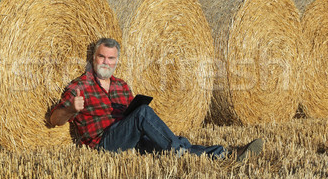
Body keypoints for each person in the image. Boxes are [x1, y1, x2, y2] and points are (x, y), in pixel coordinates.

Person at [49, 38, 263, 160]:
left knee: (165, 141)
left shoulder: (121, 85)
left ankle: (226, 154)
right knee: (145, 116)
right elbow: (54, 119)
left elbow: (131, 117)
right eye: (101, 56)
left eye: (111, 58)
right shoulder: (80, 86)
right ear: (93, 58)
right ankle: (179, 150)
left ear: (116, 61)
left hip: (130, 139)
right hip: (104, 144)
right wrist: (71, 110)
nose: (106, 62)